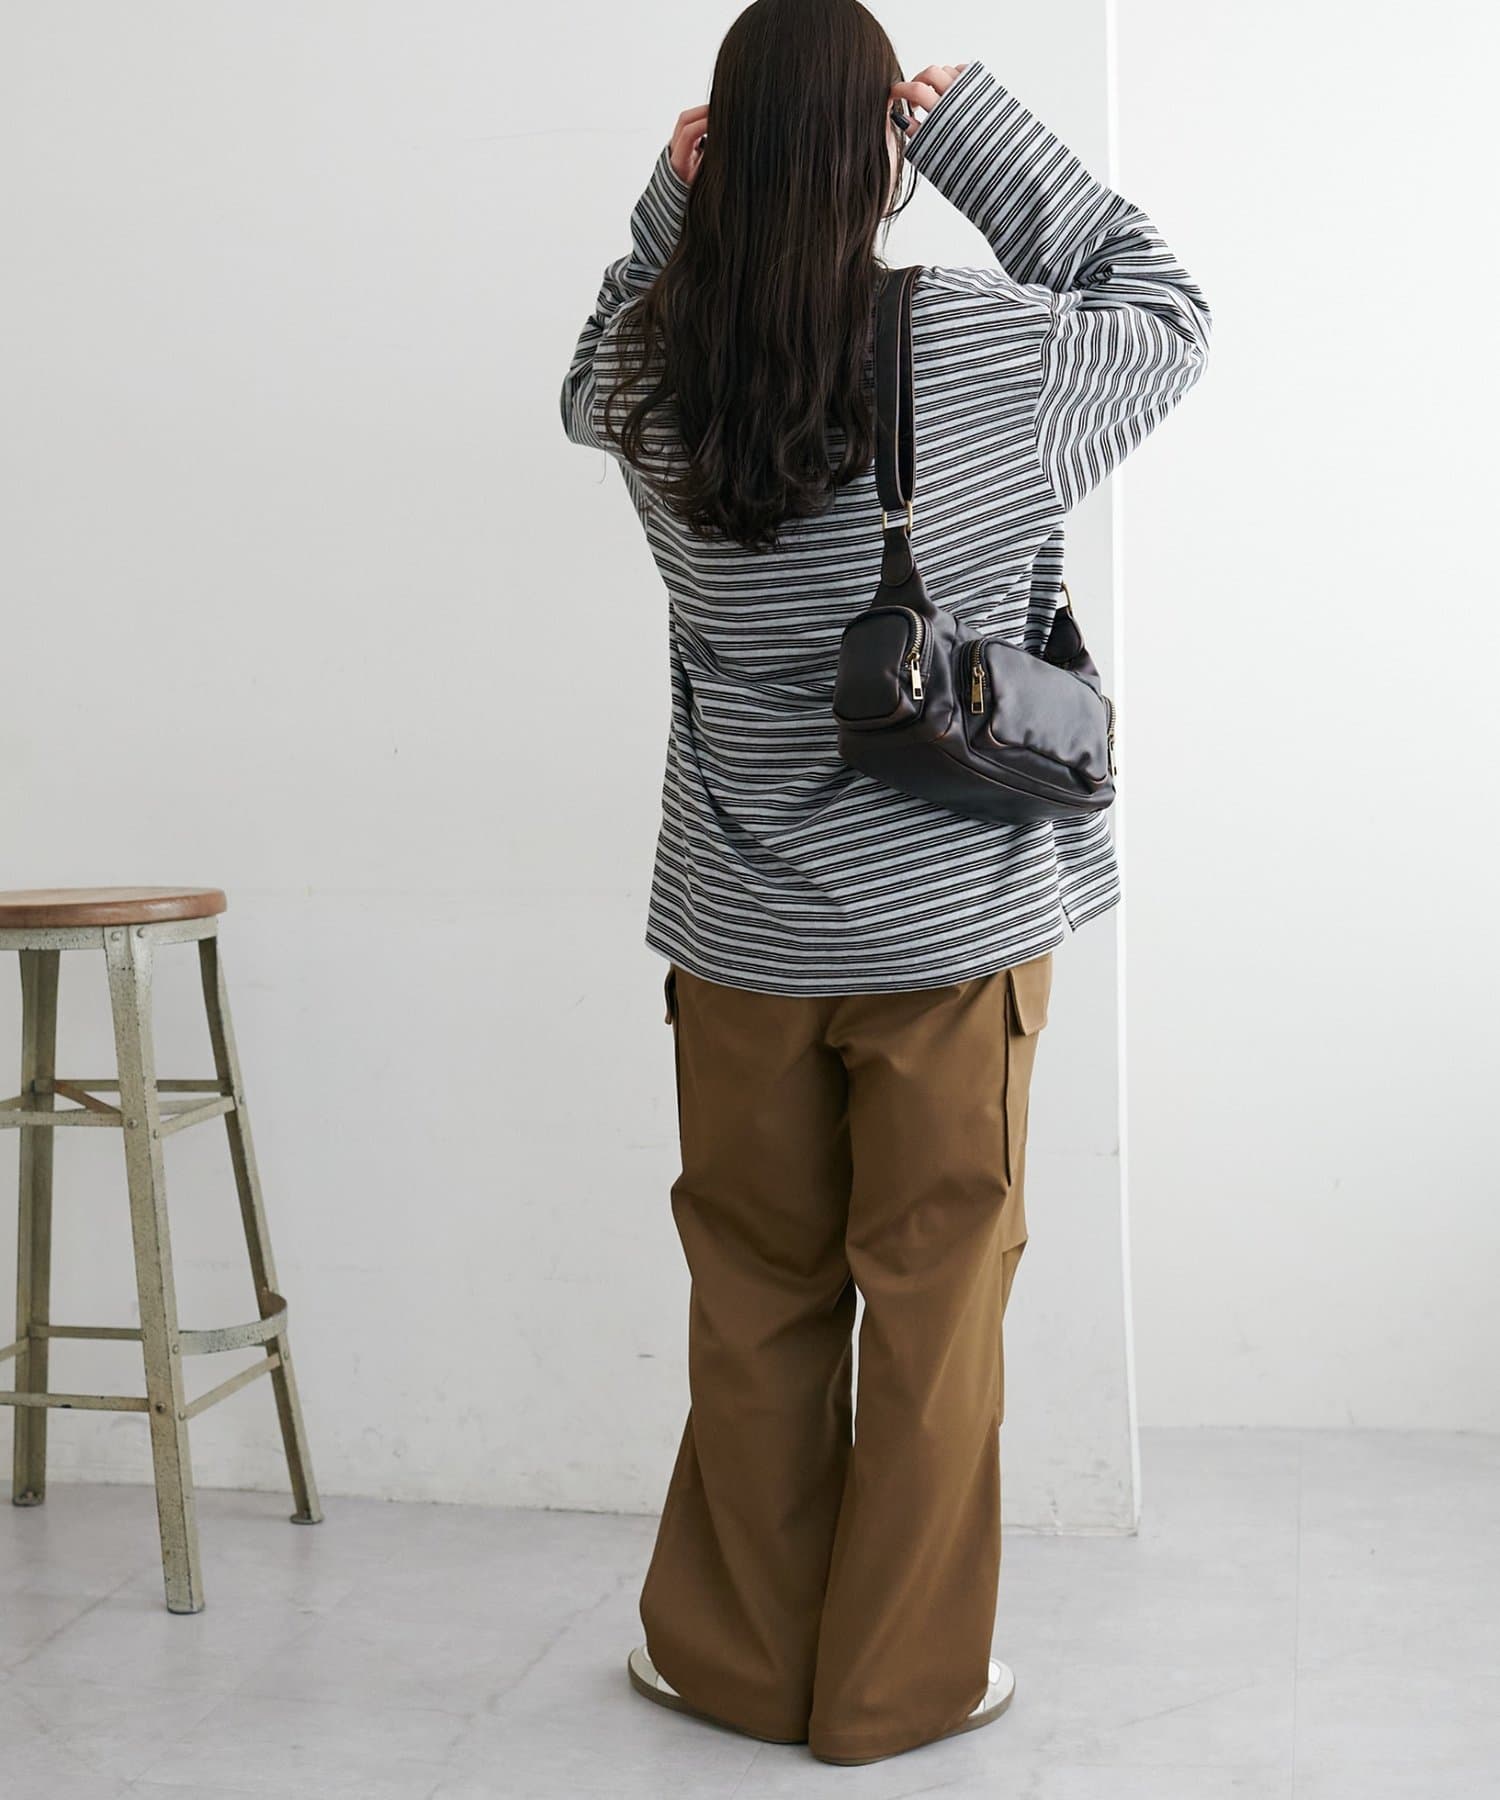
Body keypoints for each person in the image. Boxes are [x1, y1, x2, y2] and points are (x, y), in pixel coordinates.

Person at [558, 0, 1209, 1767]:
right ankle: (897, 1688)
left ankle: (734, 1665)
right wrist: (978, 132)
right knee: (935, 1309)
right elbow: (1166, 312)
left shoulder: (647, 373)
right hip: (955, 929)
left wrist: (673, 199)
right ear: (879, 157)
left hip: (738, 931)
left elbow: (586, 355)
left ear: (726, 151)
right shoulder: (980, 349)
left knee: (755, 1290)